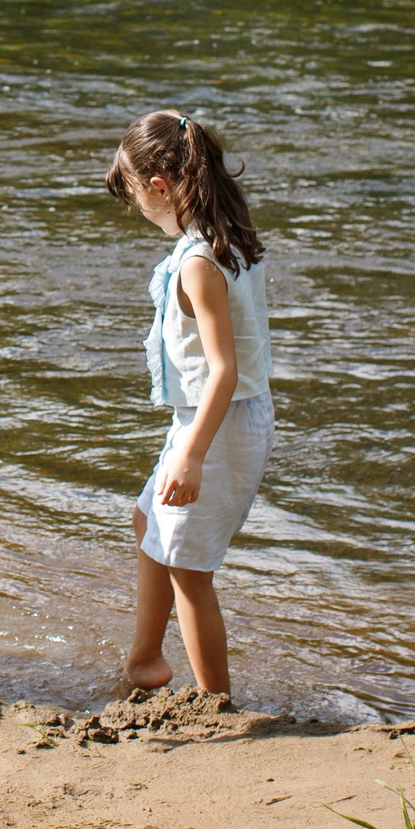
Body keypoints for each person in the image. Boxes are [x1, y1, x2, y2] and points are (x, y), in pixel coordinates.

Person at [104, 109, 272, 698]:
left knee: (189, 570)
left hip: (218, 425)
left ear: (160, 187)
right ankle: (145, 658)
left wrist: (193, 455)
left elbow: (223, 372)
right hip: (213, 419)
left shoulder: (200, 263)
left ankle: (215, 702)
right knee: (149, 519)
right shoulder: (225, 236)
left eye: (136, 200)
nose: (140, 214)